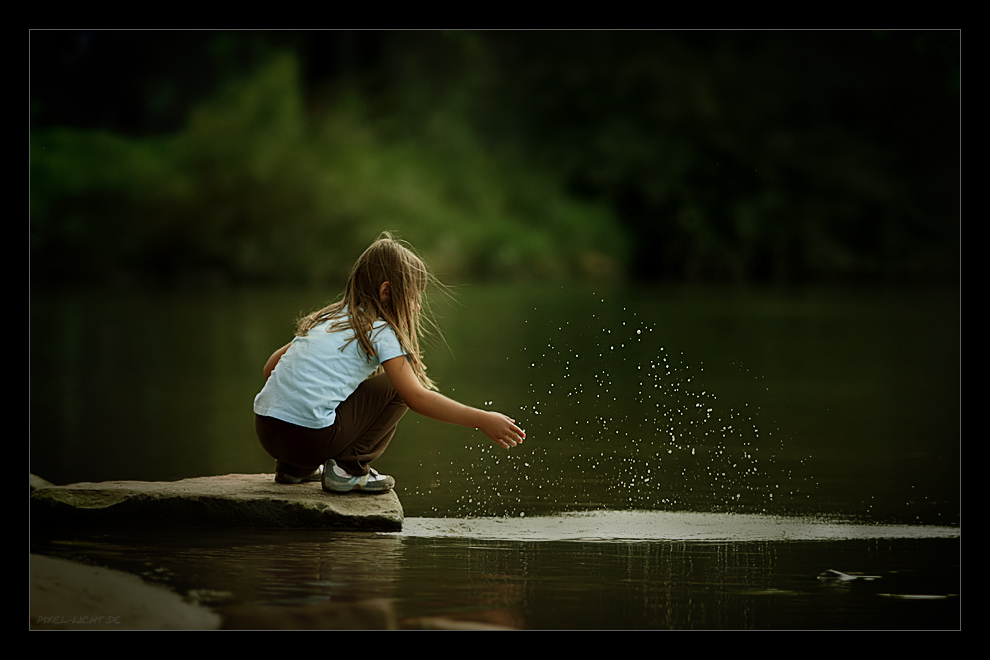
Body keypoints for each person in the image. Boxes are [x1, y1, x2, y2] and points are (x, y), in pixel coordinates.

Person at [253, 232, 525, 494]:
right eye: (414, 296)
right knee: (396, 388)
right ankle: (349, 470)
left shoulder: (327, 320)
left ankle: (294, 469)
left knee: (336, 396)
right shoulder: (381, 331)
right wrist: (482, 420)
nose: (417, 307)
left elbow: (270, 369)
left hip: (266, 432)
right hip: (309, 440)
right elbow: (417, 398)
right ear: (386, 292)